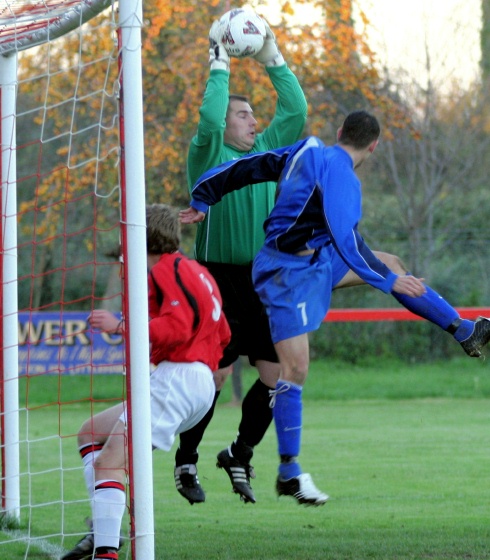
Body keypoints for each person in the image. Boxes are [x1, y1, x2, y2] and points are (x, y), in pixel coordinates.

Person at [180, 110, 490, 506]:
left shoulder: (306, 149)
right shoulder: (344, 179)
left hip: (312, 262)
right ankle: (289, 472)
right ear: (373, 147)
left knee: (390, 261)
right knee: (294, 369)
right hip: (287, 273)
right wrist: (386, 281)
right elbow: (347, 239)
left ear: (340, 132)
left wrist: (204, 195)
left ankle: (465, 330)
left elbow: (249, 166)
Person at [174, 15, 308, 505]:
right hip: (216, 280)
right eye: (244, 115)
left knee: (275, 376)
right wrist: (220, 61)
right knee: (212, 376)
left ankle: (240, 453)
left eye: (253, 115)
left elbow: (295, 108)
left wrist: (271, 53)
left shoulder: (270, 151)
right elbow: (209, 118)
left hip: (263, 279)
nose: (254, 121)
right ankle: (186, 459)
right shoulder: (208, 154)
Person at [62, 204, 231, 560]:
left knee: (111, 463)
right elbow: (225, 334)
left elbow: (177, 326)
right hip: (194, 381)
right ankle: (103, 527)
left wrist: (121, 325)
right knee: (91, 432)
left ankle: (105, 550)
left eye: (127, 234)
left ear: (141, 234)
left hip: (178, 378)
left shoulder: (164, 268)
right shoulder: (197, 271)